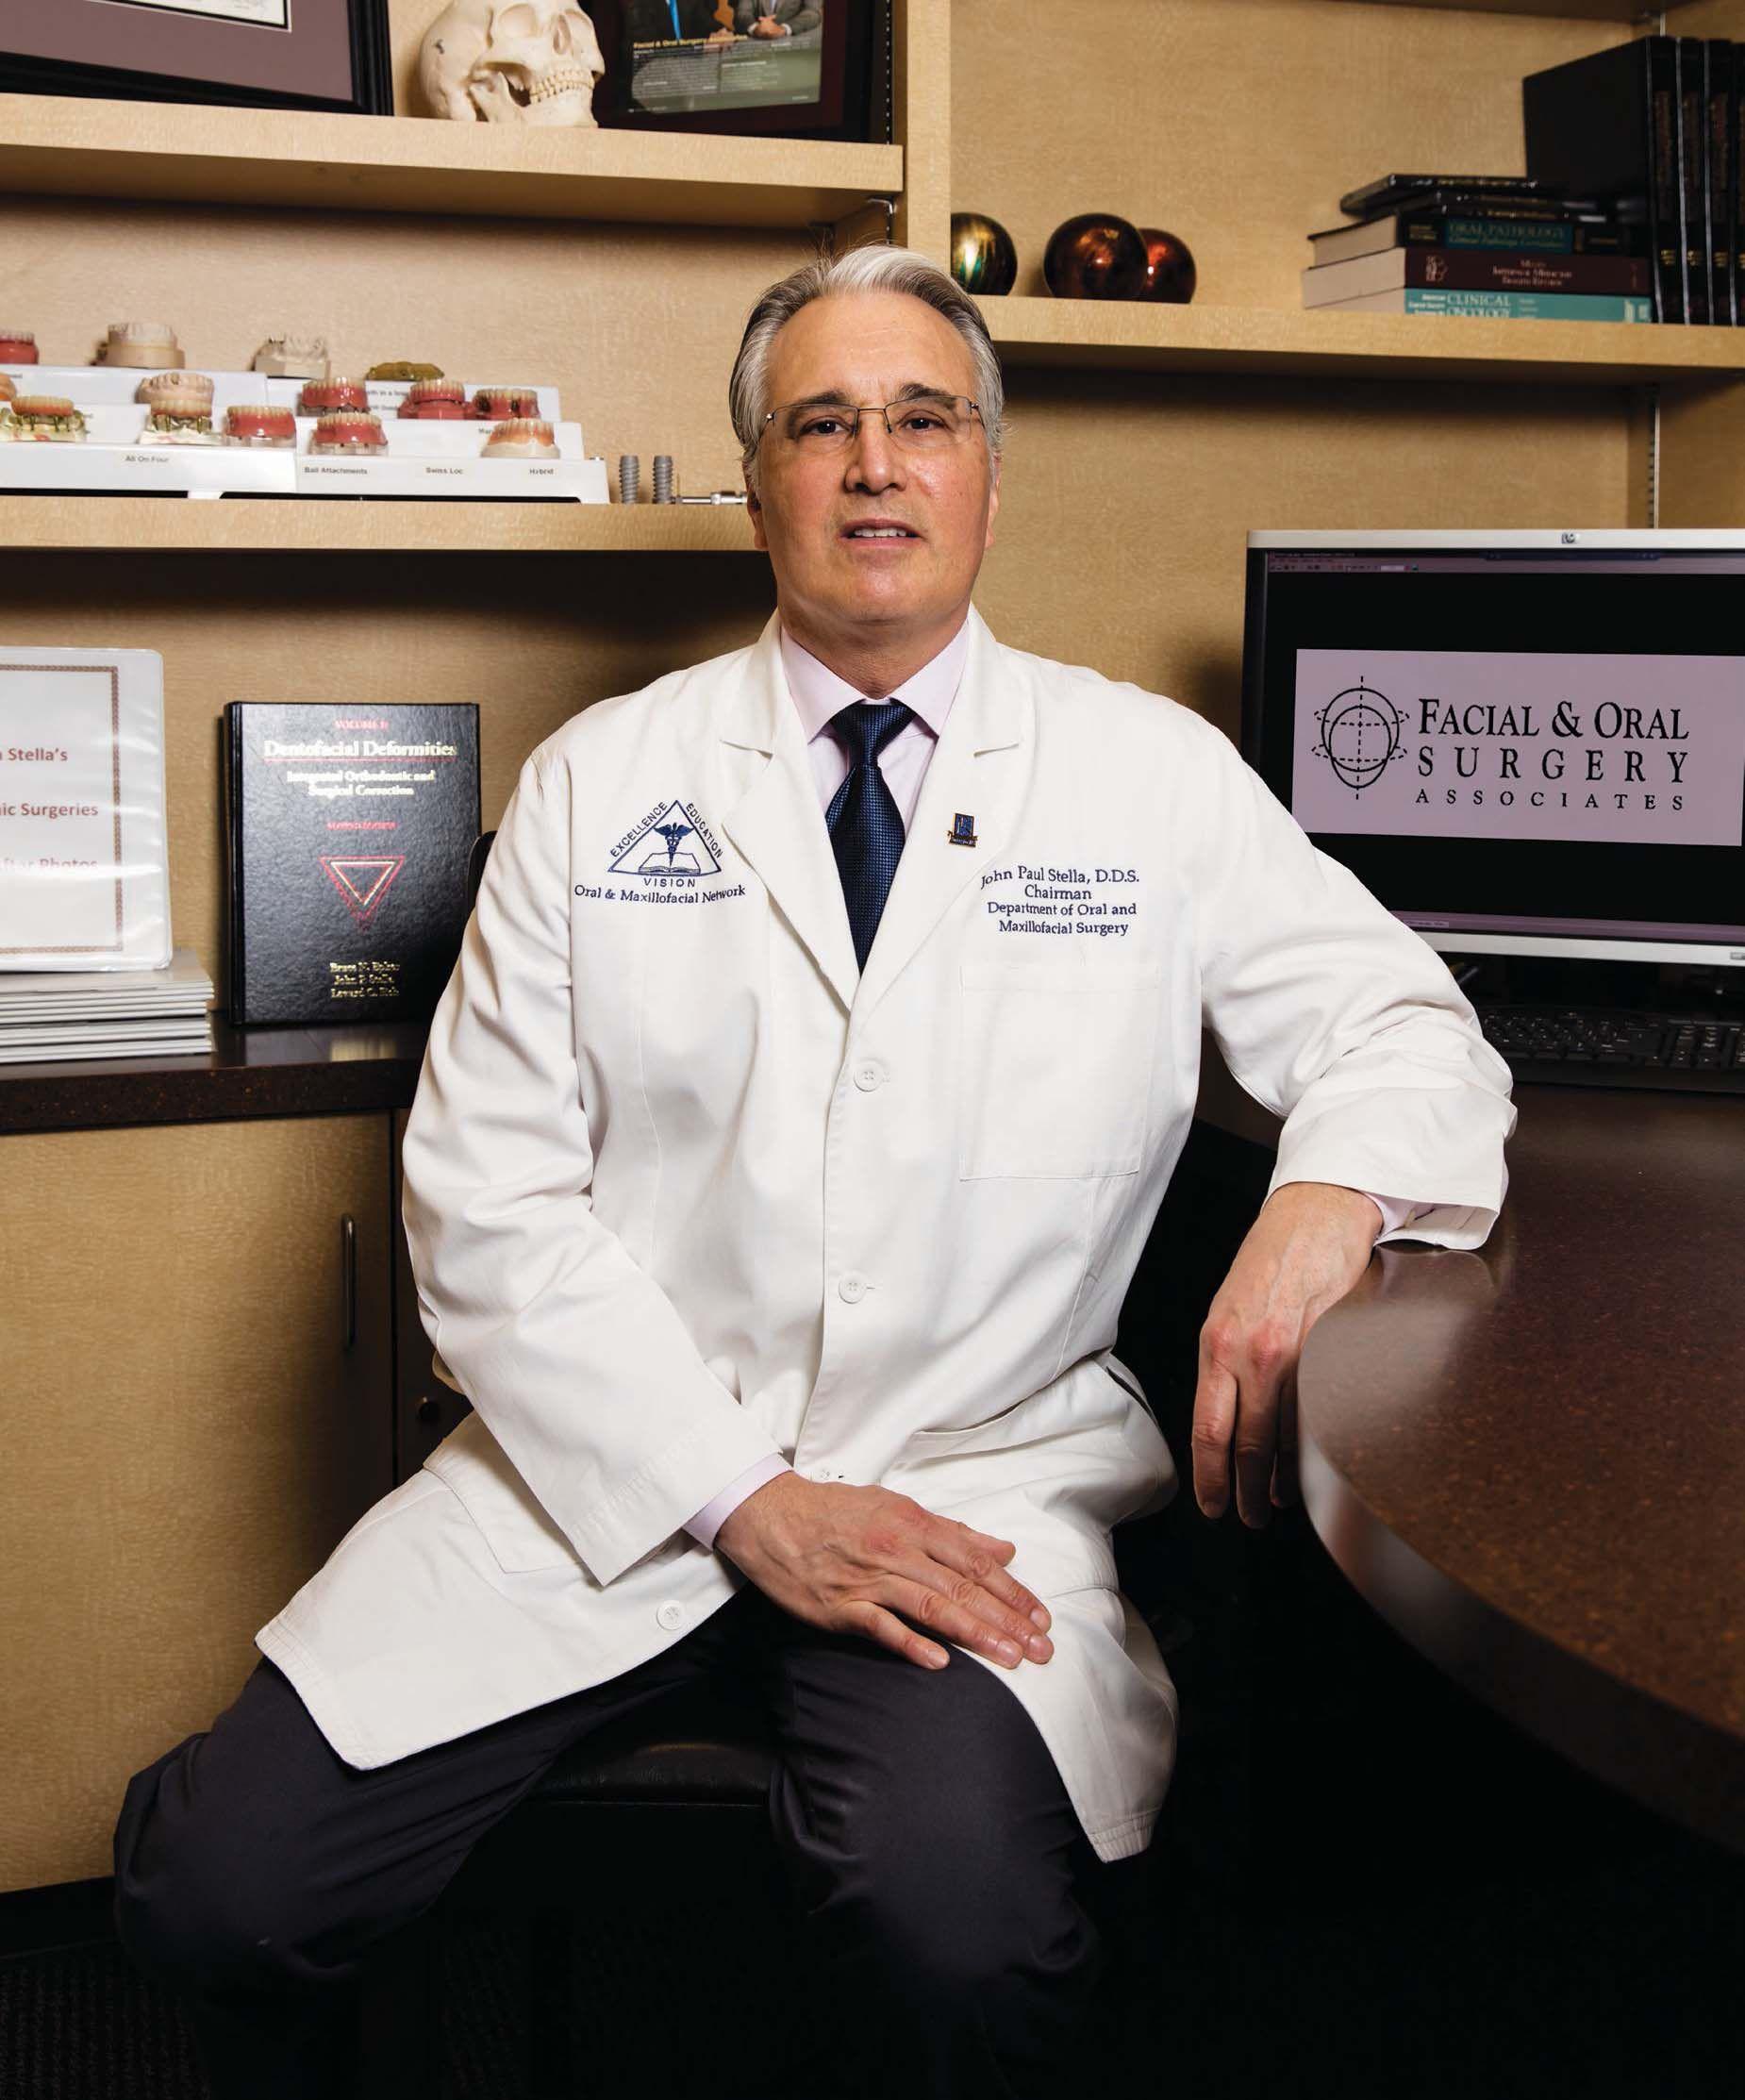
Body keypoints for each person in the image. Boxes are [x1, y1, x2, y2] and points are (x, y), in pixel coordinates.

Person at [109, 243, 1515, 2099]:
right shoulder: (601, 782)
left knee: (963, 1941)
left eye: (923, 420)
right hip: (606, 1478)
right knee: (211, 1893)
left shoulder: (1147, 780)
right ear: (757, 479)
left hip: (962, 1489)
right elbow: (484, 1203)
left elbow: (1407, 1029)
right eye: (820, 424)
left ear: (988, 474)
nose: (874, 464)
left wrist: (1317, 1204)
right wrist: (741, 1496)